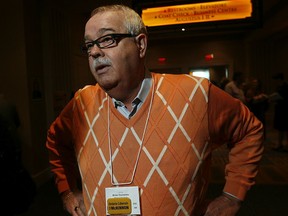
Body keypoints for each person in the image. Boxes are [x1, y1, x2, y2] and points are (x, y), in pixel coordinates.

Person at [46, 5, 264, 216]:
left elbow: (249, 130)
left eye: (106, 39)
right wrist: (68, 191)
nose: (94, 51)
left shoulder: (196, 94)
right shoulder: (81, 103)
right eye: (89, 45)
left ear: (140, 45)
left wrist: (232, 195)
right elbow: (55, 142)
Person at [270, 73, 288, 151]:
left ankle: (286, 145)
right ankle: (280, 144)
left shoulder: (286, 87)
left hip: (285, 110)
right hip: (279, 109)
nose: (275, 81)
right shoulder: (278, 87)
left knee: (286, 127)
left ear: (280, 79)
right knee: (280, 127)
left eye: (276, 79)